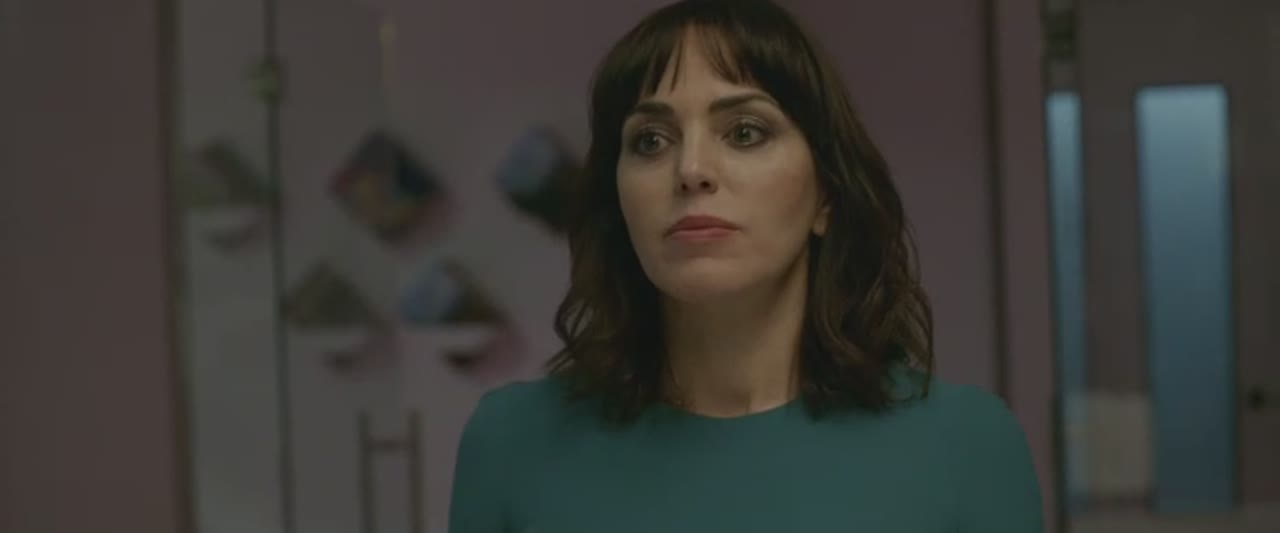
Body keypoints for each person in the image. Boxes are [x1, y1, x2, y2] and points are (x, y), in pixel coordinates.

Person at [449, 0, 1043, 531]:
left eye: (744, 132)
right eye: (651, 141)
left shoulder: (968, 447)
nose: (691, 169)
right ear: (619, 199)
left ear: (826, 195)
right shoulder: (510, 444)